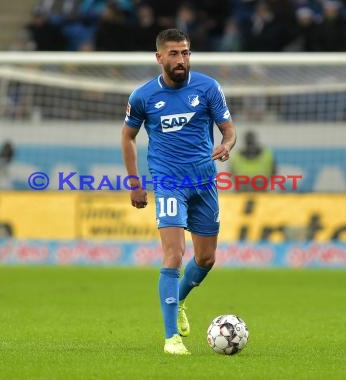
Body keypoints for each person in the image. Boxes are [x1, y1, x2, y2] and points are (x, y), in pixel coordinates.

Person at [121, 28, 236, 355]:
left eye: (185, 52)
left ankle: (180, 297)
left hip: (204, 182)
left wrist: (226, 145)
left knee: (206, 258)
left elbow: (228, 130)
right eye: (173, 53)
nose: (181, 59)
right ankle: (171, 337)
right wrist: (135, 182)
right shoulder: (143, 96)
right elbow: (127, 137)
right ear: (159, 57)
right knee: (174, 255)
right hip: (168, 181)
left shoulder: (209, 88)